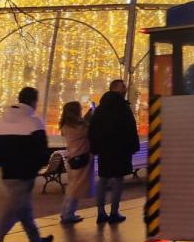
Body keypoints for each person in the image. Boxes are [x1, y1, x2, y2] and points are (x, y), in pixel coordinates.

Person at [0, 87, 54, 242]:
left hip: (8, 172)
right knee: (10, 212)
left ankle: (36, 240)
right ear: (33, 101)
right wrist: (36, 166)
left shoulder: (2, 122)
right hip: (25, 173)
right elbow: (41, 150)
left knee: (23, 208)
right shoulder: (33, 122)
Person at [89, 79, 140, 224]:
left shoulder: (100, 108)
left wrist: (95, 147)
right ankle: (114, 212)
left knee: (103, 179)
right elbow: (130, 128)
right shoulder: (123, 108)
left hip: (105, 150)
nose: (125, 88)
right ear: (116, 89)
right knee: (118, 180)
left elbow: (93, 129)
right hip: (120, 150)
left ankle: (100, 212)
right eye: (123, 86)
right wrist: (133, 146)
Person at [59, 101, 93, 225]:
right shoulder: (77, 127)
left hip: (73, 157)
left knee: (73, 186)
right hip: (80, 158)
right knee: (74, 188)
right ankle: (67, 213)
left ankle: (67, 212)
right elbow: (87, 130)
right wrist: (89, 117)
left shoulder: (67, 126)